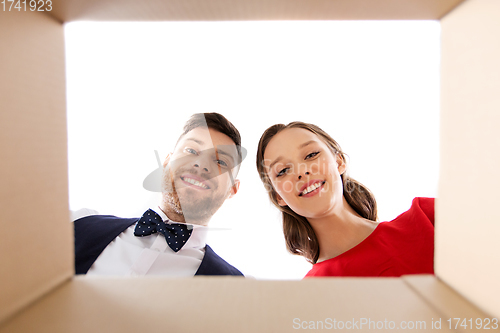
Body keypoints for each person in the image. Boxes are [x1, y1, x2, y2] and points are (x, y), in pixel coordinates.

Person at [74, 113, 244, 277]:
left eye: (221, 162)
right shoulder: (77, 224)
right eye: (191, 150)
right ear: (166, 162)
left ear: (232, 189)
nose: (201, 164)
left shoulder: (236, 287)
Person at [256, 121, 434, 277]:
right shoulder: (310, 295)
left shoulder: (429, 218)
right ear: (279, 196)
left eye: (311, 155)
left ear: (339, 161)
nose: (302, 172)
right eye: (282, 171)